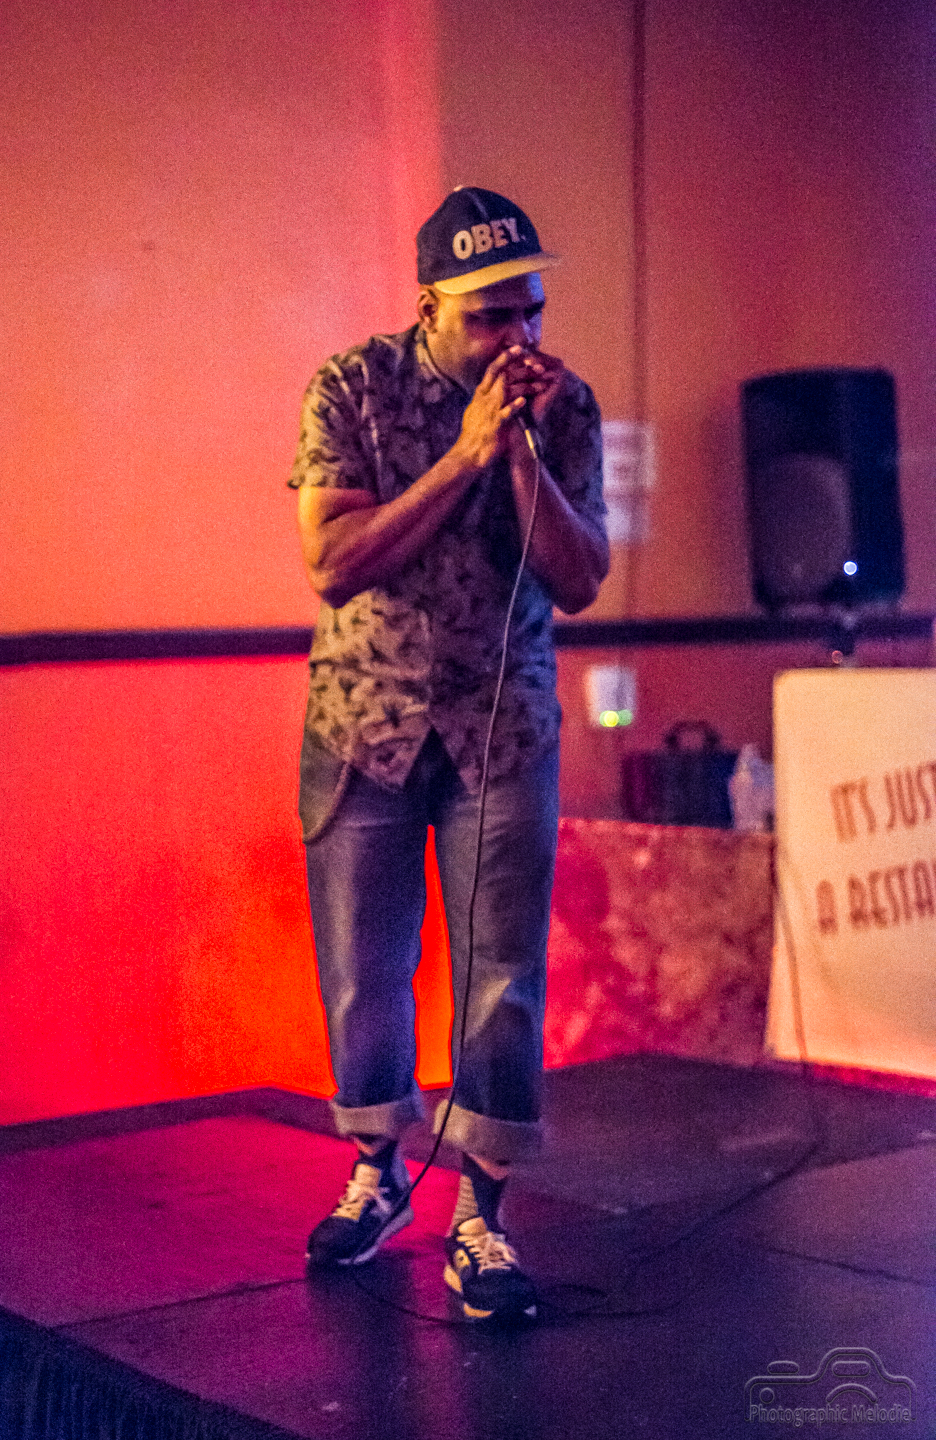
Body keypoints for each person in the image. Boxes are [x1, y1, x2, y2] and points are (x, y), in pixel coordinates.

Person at [289, 185, 608, 1320]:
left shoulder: (563, 408)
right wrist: (464, 456)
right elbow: (333, 561)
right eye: (488, 316)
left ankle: (482, 1217)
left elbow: (581, 578)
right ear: (429, 306)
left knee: (502, 981)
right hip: (364, 722)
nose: (516, 335)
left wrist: (517, 459)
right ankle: (378, 1173)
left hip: (502, 725)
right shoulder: (351, 387)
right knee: (364, 971)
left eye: (529, 310)